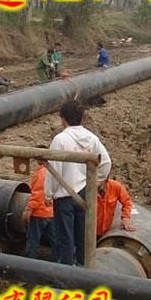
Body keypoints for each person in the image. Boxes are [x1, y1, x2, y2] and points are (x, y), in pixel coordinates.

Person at [44, 100, 111, 266]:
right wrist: (95, 182)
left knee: (65, 236)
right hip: (84, 192)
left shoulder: (60, 140)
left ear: (63, 118)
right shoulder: (91, 138)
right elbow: (106, 162)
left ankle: (66, 271)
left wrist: (48, 193)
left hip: (65, 194)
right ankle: (84, 267)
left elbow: (54, 169)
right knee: (83, 233)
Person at [22, 158, 55, 259]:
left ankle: (31, 261)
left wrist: (28, 209)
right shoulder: (54, 171)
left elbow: (37, 194)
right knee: (55, 239)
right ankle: (59, 261)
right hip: (52, 212)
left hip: (39, 213)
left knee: (33, 240)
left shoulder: (40, 173)